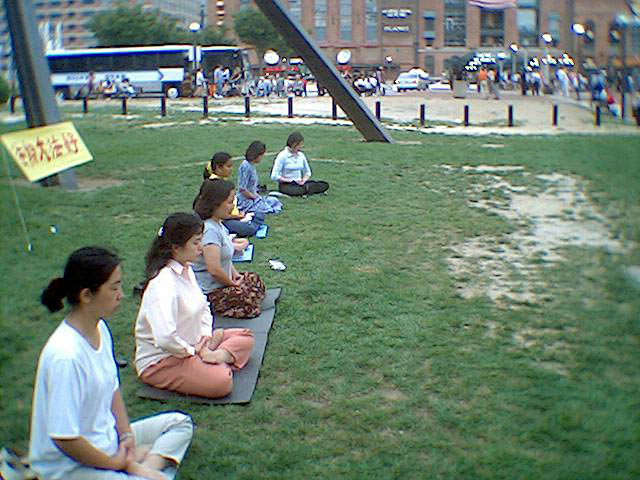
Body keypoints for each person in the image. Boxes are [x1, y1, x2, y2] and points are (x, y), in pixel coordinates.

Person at [30, 246, 193, 480]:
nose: (121, 295)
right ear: (86, 295)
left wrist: (126, 436)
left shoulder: (100, 329)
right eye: (114, 288)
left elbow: (112, 388)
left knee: (180, 423)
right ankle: (142, 469)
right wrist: (115, 464)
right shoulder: (65, 356)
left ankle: (143, 467)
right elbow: (65, 438)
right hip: (70, 468)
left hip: (109, 442)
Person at [134, 213, 255, 399]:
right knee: (221, 382)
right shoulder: (162, 284)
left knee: (246, 338)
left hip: (196, 343)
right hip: (166, 359)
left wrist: (205, 337)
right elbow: (165, 338)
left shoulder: (186, 269)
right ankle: (212, 360)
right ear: (176, 248)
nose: (201, 247)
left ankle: (216, 357)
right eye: (196, 242)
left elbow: (204, 306)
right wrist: (193, 351)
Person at [192, 179, 266, 318]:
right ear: (216, 203)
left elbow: (225, 259)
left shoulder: (218, 225)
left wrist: (236, 275)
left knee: (254, 280)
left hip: (224, 282)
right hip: (211, 290)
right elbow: (214, 270)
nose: (232, 206)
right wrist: (232, 284)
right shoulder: (209, 230)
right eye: (230, 202)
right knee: (248, 300)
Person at [202, 151, 264, 238]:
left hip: (233, 215)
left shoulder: (223, 182)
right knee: (250, 228)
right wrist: (237, 216)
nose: (231, 169)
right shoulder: (215, 185)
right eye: (228, 166)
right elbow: (219, 213)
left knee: (259, 214)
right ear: (218, 167)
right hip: (224, 220)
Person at [271, 132, 329, 197]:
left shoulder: (301, 155)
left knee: (324, 184)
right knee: (297, 190)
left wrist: (303, 180)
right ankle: (307, 190)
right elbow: (274, 176)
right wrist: (291, 181)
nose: (300, 147)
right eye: (298, 145)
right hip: (287, 184)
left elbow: (308, 172)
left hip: (300, 183)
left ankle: (307, 189)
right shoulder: (282, 156)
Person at [237, 141, 283, 215]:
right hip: (246, 201)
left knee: (274, 201)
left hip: (254, 197)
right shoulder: (245, 166)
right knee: (268, 208)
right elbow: (242, 189)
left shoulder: (252, 166)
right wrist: (255, 198)